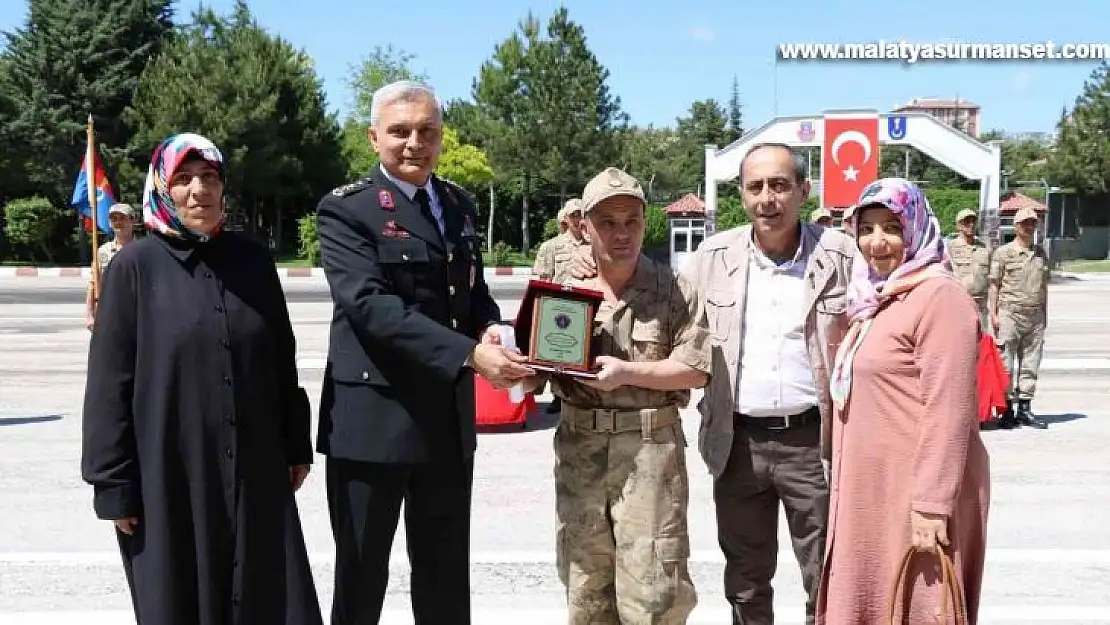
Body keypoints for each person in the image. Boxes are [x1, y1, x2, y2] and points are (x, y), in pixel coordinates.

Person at [566, 143, 856, 625]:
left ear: (804, 191)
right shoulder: (711, 259)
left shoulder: (840, 256)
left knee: (825, 577)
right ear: (741, 194)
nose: (768, 198)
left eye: (780, 185)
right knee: (745, 581)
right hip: (737, 442)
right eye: (756, 186)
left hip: (814, 444)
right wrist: (585, 262)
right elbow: (641, 279)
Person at [315, 80, 534, 625]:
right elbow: (370, 307)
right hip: (372, 422)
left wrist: (490, 329)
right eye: (400, 131)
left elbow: (471, 290)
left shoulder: (456, 202)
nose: (415, 142)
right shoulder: (347, 211)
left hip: (444, 423)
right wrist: (469, 354)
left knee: (444, 577)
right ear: (374, 138)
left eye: (427, 131)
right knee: (362, 578)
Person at [80, 133, 322, 625]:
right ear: (163, 188)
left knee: (268, 599)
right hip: (167, 478)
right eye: (184, 179)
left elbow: (281, 357)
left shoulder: (252, 261)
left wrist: (296, 443)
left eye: (209, 178)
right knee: (180, 600)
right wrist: (112, 484)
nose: (198, 190)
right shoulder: (134, 267)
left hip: (255, 471)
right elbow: (108, 384)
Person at [523, 166, 709, 624]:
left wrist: (629, 372)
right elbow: (534, 378)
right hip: (580, 456)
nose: (621, 233)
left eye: (632, 221)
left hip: (650, 458)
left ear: (646, 223)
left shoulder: (672, 289)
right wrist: (511, 365)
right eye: (607, 222)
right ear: (584, 227)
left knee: (654, 597)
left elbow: (695, 370)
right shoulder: (563, 292)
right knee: (585, 592)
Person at [818, 177, 990, 624]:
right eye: (866, 228)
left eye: (891, 227)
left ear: (915, 228)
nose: (877, 242)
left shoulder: (939, 297)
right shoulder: (877, 299)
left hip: (914, 496)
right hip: (874, 490)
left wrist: (932, 506)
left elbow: (949, 410)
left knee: (914, 604)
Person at [989, 206, 1049, 429]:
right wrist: (993, 314)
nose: (1029, 226)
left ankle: (1025, 408)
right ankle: (1006, 410)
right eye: (1025, 223)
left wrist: (1045, 314)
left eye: (1032, 223)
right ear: (1016, 226)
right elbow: (994, 285)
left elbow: (1043, 287)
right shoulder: (1003, 253)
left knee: (1031, 364)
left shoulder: (1041, 253)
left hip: (1034, 316)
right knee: (1005, 364)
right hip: (1010, 314)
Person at [85, 203, 136, 330]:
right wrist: (89, 315)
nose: (118, 222)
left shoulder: (143, 251)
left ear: (132, 220)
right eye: (114, 219)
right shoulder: (103, 252)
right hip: (108, 313)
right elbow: (93, 284)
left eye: (122, 218)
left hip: (136, 313)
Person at [948, 208, 992, 334]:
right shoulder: (950, 248)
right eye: (966, 222)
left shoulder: (984, 249)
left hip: (981, 306)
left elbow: (991, 279)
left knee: (981, 345)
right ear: (958, 226)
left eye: (973, 221)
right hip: (958, 306)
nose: (971, 225)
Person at [532, 198, 590, 284]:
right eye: (572, 215)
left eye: (580, 215)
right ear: (565, 218)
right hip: (560, 296)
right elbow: (544, 281)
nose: (577, 219)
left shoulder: (594, 245)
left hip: (587, 295)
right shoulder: (550, 246)